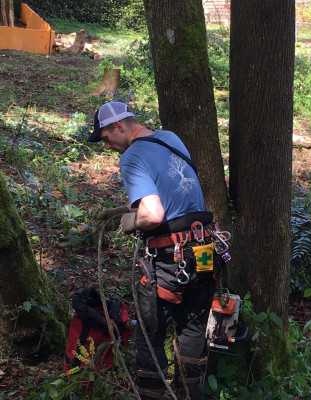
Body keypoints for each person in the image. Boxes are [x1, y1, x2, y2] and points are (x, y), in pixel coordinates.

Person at [88, 101, 218, 400]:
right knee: (193, 327)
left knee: (149, 335)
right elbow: (175, 199)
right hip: (205, 248)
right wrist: (125, 208)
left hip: (171, 260)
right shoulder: (170, 139)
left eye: (105, 138)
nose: (106, 146)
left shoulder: (132, 156)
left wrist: (127, 220)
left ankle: (153, 396)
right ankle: (191, 394)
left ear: (118, 126)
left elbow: (154, 215)